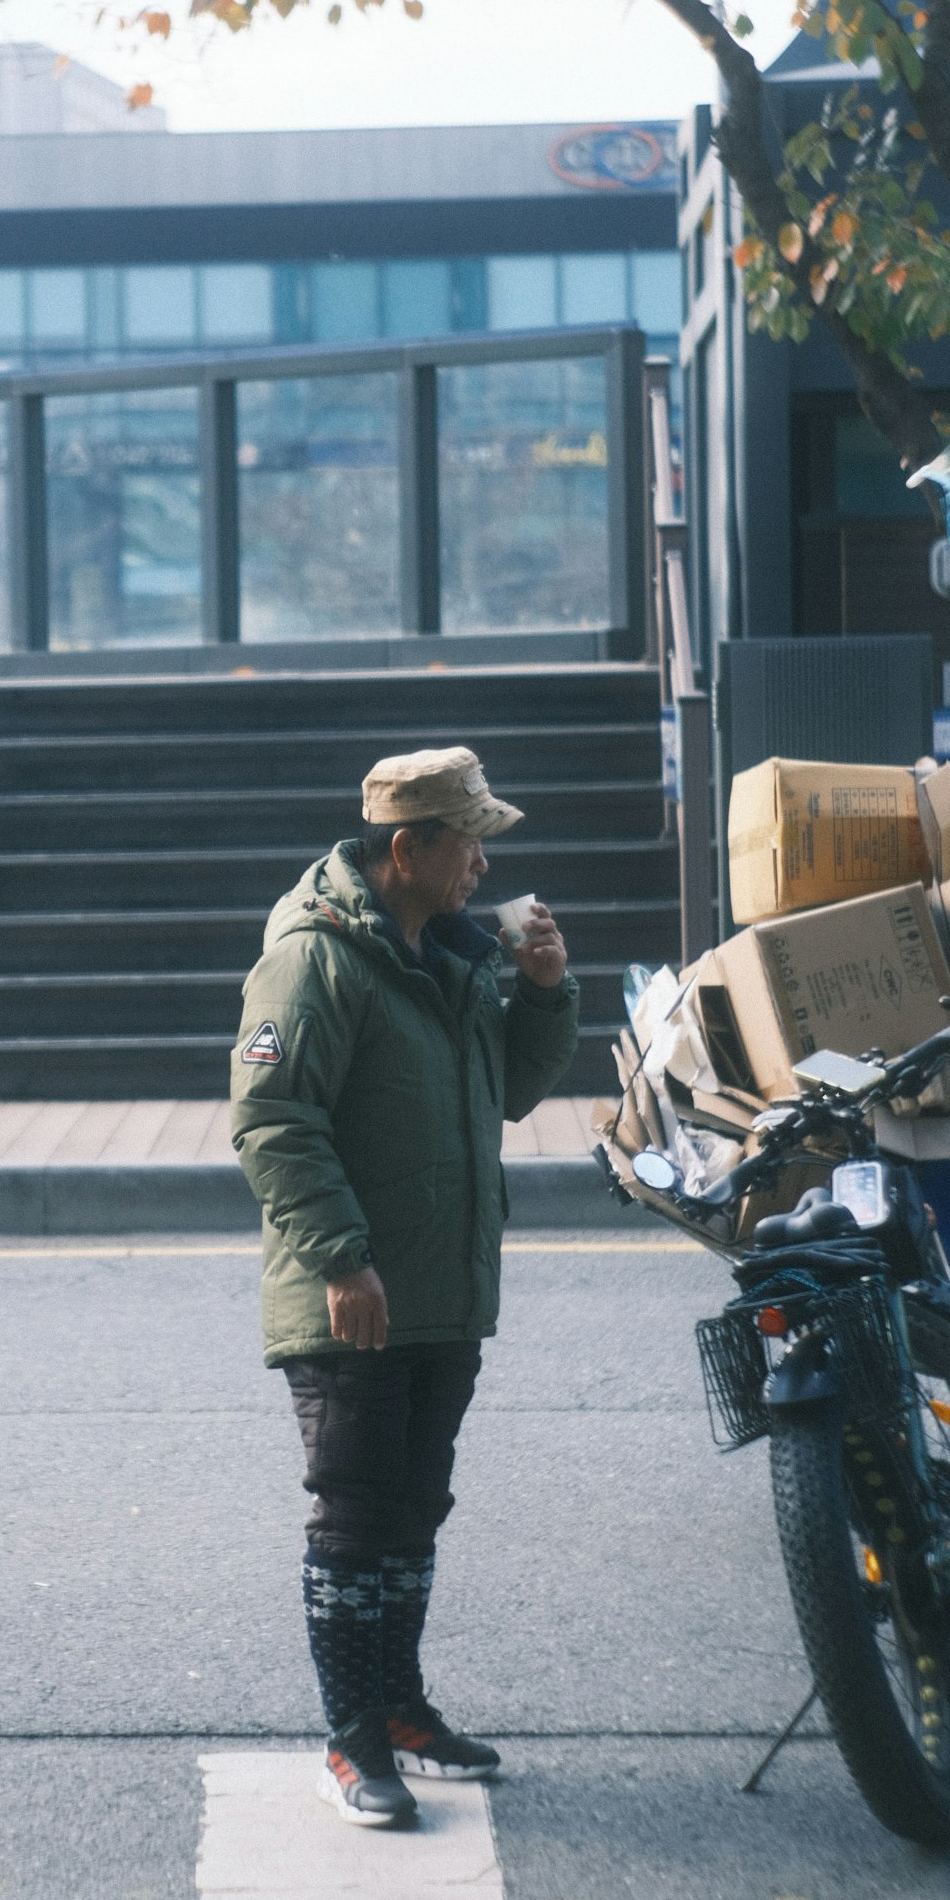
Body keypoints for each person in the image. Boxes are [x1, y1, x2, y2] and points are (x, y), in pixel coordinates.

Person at [230, 745, 579, 1828]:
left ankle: (403, 1709)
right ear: (407, 848)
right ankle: (354, 1739)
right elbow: (270, 1121)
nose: (483, 861)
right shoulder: (312, 960)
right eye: (469, 840)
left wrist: (545, 994)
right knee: (356, 1516)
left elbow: (512, 1093)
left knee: (416, 1510)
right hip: (356, 1295)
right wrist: (343, 1259)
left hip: (443, 1292)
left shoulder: (458, 953)